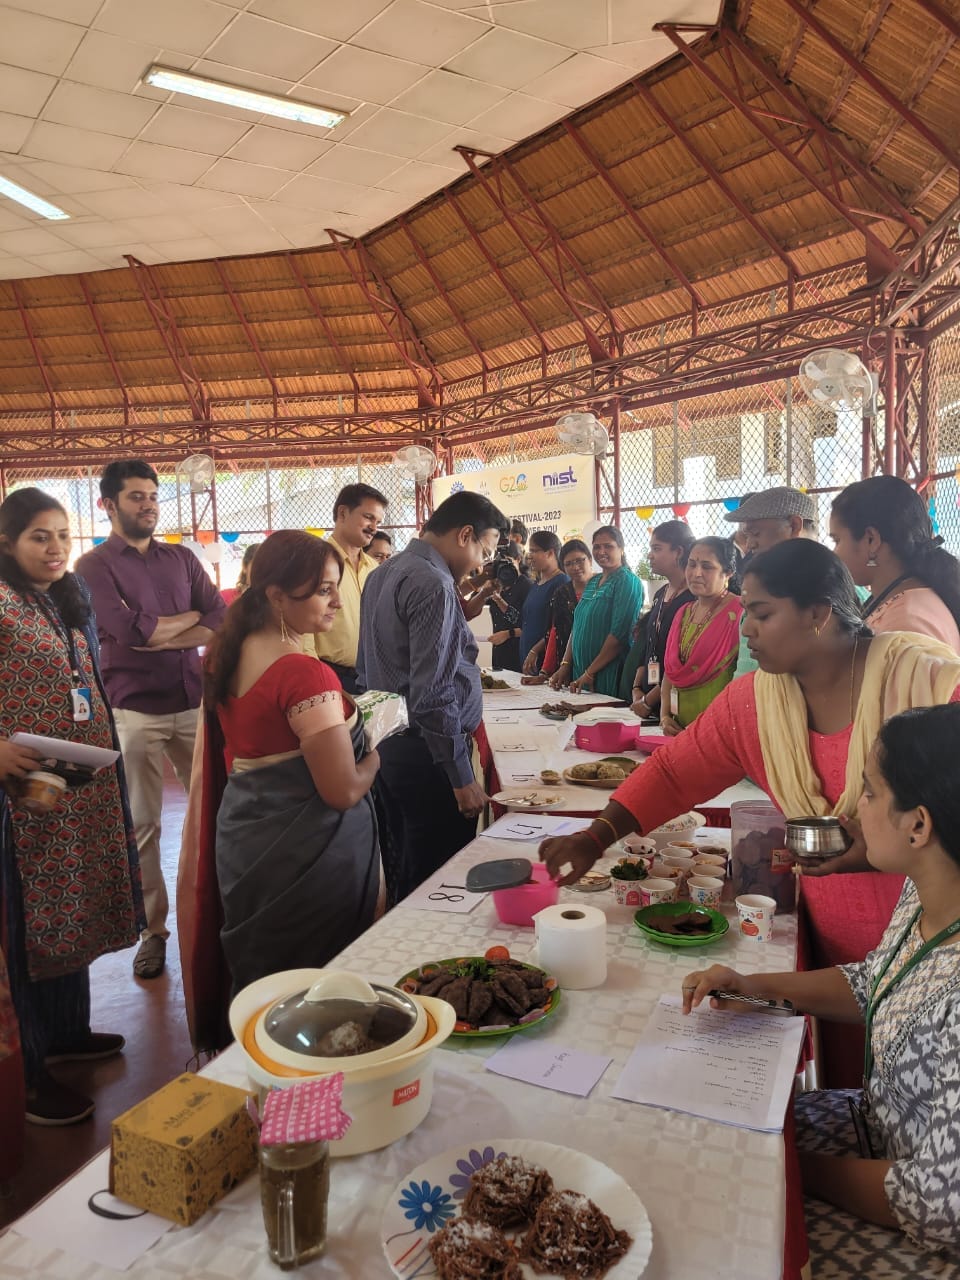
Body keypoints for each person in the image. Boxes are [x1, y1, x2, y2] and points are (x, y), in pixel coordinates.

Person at [682, 704, 960, 1263]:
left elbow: (939, 1206)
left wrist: (789, 1169)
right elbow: (877, 983)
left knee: (713, 1218)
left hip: (918, 1232)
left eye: (870, 792)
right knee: (703, 1128)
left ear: (919, 824)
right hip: (873, 1134)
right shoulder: (927, 894)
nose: (855, 809)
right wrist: (750, 986)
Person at [539, 539, 960, 892]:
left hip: (924, 958)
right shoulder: (755, 702)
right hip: (816, 945)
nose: (746, 629)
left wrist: (876, 853)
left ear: (817, 613)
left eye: (762, 614)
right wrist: (595, 837)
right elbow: (672, 773)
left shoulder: (930, 688)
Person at [0, 489, 143, 1125]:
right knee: (26, 925)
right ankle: (28, 1077)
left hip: (69, 791)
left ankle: (63, 1033)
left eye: (62, 534)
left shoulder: (60, 599)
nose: (55, 547)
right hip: (18, 799)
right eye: (38, 535)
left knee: (69, 906)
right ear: (6, 541)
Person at [200, 531, 380, 998]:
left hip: (245, 840)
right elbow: (341, 790)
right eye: (323, 589)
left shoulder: (230, 651)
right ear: (277, 595)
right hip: (305, 857)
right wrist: (376, 754)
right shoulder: (303, 673)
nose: (337, 603)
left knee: (269, 982)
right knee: (316, 983)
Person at [76, 460, 225, 981]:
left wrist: (167, 629)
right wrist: (190, 624)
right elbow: (124, 630)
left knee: (217, 810)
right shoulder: (92, 566)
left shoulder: (181, 558)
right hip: (134, 709)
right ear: (109, 505)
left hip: (192, 702)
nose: (148, 505)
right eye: (136, 497)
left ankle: (221, 913)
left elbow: (218, 618)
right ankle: (153, 933)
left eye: (153, 496)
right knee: (143, 825)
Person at [358, 492, 509, 901]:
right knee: (439, 882)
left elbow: (364, 668)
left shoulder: (382, 574)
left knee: (406, 865)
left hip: (391, 744)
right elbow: (433, 693)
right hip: (428, 756)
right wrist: (460, 775)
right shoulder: (434, 584)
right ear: (465, 535)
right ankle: (429, 961)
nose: (480, 563)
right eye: (484, 549)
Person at [831, 475, 960, 651]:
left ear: (871, 540)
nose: (834, 553)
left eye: (837, 540)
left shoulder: (905, 623)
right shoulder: (906, 598)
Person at [724, 486, 819, 679]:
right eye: (747, 536)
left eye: (756, 533)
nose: (750, 545)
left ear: (793, 526)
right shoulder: (759, 586)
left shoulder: (834, 590)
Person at [302, 483, 388, 693]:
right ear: (342, 513)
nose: (373, 527)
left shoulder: (374, 568)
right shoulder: (315, 561)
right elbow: (303, 626)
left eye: (378, 521)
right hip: (329, 675)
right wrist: (313, 675)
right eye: (368, 517)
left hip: (372, 678)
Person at [660, 537, 742, 735]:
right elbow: (670, 671)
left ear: (728, 573)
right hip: (677, 728)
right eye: (692, 564)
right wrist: (664, 715)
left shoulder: (740, 612)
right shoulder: (683, 612)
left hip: (719, 730)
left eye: (707, 567)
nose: (696, 573)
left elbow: (744, 681)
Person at [552, 526, 643, 696]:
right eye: (596, 546)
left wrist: (590, 672)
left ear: (621, 549)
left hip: (608, 674)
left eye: (608, 546)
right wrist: (565, 665)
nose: (601, 551)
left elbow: (619, 636)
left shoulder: (627, 581)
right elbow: (577, 626)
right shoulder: (594, 581)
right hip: (582, 675)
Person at [627, 520, 695, 718]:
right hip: (646, 699)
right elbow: (649, 644)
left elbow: (683, 661)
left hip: (672, 705)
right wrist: (637, 688)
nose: (650, 555)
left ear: (679, 552)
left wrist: (650, 700)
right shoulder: (661, 593)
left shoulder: (693, 600)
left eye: (657, 548)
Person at [519, 531, 569, 677]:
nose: (530, 556)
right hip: (527, 657)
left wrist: (535, 650)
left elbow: (558, 626)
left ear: (550, 553)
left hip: (545, 659)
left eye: (534, 551)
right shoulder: (536, 584)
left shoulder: (561, 582)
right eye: (530, 551)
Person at [542, 539, 593, 681]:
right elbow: (555, 631)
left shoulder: (603, 587)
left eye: (579, 561)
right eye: (569, 564)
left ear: (590, 559)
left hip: (599, 663)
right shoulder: (561, 593)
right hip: (567, 667)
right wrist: (545, 671)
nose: (575, 567)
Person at [487, 543, 533, 672]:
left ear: (518, 559)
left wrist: (508, 634)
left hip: (517, 653)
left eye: (508, 561)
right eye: (500, 562)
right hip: (497, 653)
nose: (504, 568)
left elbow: (528, 625)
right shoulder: (497, 585)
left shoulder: (526, 586)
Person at [220, 542, 261, 606]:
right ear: (245, 566)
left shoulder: (276, 603)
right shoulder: (224, 598)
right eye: (257, 566)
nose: (263, 572)